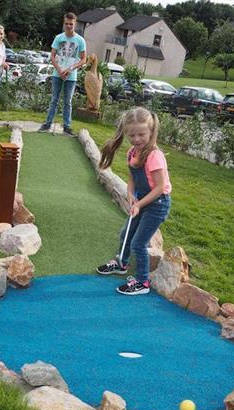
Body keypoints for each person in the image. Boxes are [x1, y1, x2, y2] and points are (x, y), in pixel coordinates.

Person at [96, 107, 172, 295]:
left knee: (139, 243)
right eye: (132, 135)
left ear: (151, 132)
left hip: (157, 205)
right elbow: (132, 178)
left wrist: (139, 204)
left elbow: (160, 187)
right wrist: (130, 195)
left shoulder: (154, 156)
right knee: (125, 234)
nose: (137, 139)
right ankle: (122, 263)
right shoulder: (132, 152)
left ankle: (142, 282)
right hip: (141, 201)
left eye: (141, 134)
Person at [38, 12, 86, 137]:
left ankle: (67, 127)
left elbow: (83, 59)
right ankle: (47, 123)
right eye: (66, 24)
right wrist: (59, 69)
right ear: (63, 24)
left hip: (71, 76)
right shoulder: (59, 38)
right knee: (54, 99)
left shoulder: (80, 40)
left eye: (71, 24)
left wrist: (70, 69)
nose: (68, 26)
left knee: (67, 102)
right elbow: (52, 56)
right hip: (57, 74)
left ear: (75, 24)